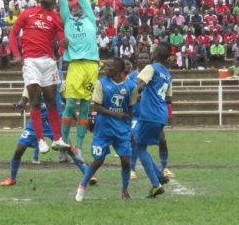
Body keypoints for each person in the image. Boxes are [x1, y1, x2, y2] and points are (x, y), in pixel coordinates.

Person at [9, 0, 69, 154]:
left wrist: (62, 47)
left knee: (51, 102)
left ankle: (57, 139)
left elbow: (61, 40)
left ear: (53, 2)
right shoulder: (27, 14)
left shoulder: (55, 18)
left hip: (49, 62)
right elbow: (13, 34)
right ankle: (41, 140)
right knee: (35, 101)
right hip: (31, 62)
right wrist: (16, 54)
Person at [0, 87, 97, 186]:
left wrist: (77, 120)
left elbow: (69, 104)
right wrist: (20, 105)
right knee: (19, 149)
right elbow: (24, 99)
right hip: (36, 122)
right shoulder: (32, 80)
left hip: (54, 123)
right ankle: (12, 178)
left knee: (69, 149)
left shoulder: (58, 82)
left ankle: (88, 175)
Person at [75, 58, 137, 201]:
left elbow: (131, 108)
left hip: (121, 129)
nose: (105, 68)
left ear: (119, 70)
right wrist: (116, 114)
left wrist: (128, 128)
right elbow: (96, 107)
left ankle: (125, 190)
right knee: (98, 161)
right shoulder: (101, 84)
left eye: (109, 66)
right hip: (103, 128)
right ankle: (82, 185)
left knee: (126, 161)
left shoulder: (131, 87)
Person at [55, 0, 100, 162]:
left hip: (91, 66)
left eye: (78, 4)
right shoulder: (67, 19)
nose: (75, 6)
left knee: (85, 107)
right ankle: (64, 144)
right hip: (75, 65)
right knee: (70, 104)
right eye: (73, 5)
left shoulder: (91, 17)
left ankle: (79, 146)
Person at [134, 42, 173, 198]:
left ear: (155, 54)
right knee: (141, 145)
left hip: (150, 114)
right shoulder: (167, 74)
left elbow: (140, 85)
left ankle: (156, 185)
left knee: (139, 148)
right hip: (162, 114)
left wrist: (130, 95)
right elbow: (169, 98)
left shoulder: (150, 68)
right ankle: (160, 175)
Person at [126, 61, 174, 180]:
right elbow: (129, 91)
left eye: (146, 57)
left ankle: (163, 169)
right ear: (137, 59)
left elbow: (168, 99)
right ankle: (132, 169)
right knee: (135, 139)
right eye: (141, 57)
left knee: (160, 140)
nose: (143, 59)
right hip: (138, 116)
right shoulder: (132, 76)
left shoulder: (153, 72)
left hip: (150, 114)